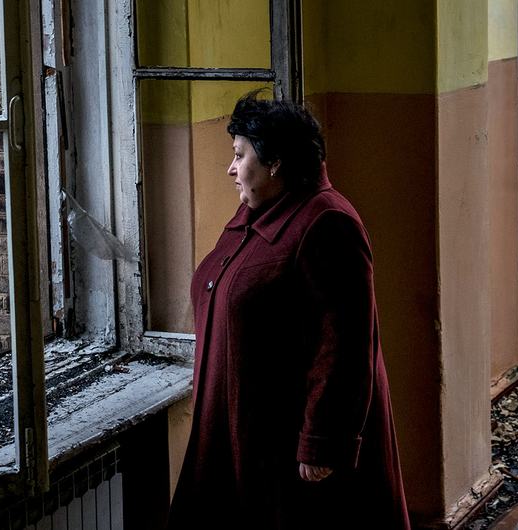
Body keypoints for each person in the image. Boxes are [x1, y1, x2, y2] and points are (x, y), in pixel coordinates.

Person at [168, 90, 409, 529]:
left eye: (240, 155)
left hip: (287, 440)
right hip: (248, 424)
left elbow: (345, 346)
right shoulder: (262, 213)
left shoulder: (326, 222)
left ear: (275, 161)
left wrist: (321, 442)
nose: (231, 168)